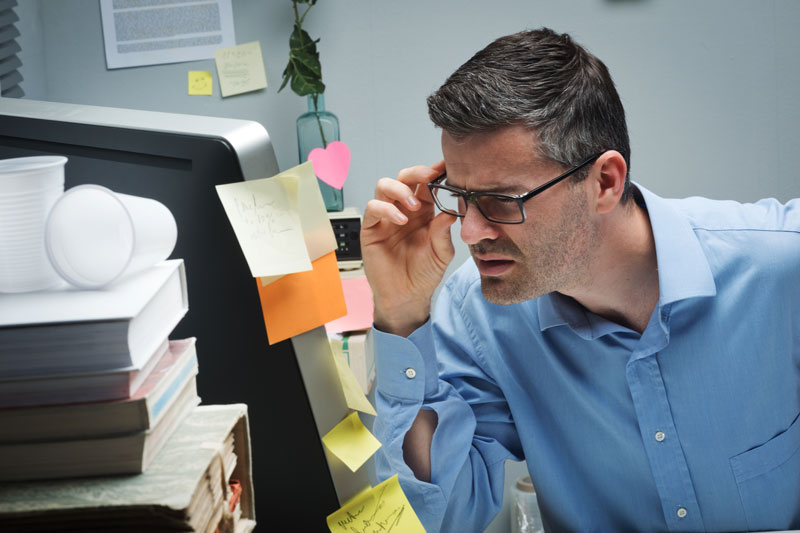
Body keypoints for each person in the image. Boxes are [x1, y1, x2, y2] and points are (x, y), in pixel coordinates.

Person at [361, 27, 800, 532]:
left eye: (504, 200)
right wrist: (399, 312)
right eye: (458, 196)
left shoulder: (780, 269)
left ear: (605, 181)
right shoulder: (476, 313)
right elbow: (432, 522)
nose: (470, 232)